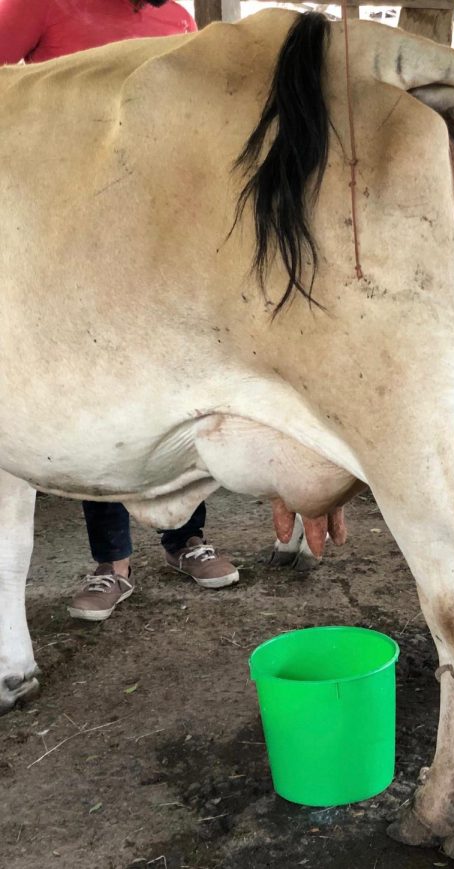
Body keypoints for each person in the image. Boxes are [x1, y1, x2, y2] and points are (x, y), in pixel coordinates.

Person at [0, 0, 239, 621]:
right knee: (99, 400)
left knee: (183, 381)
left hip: (161, 234)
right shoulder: (36, 6)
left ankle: (186, 540)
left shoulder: (180, 21)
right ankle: (111, 566)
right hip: (72, 241)